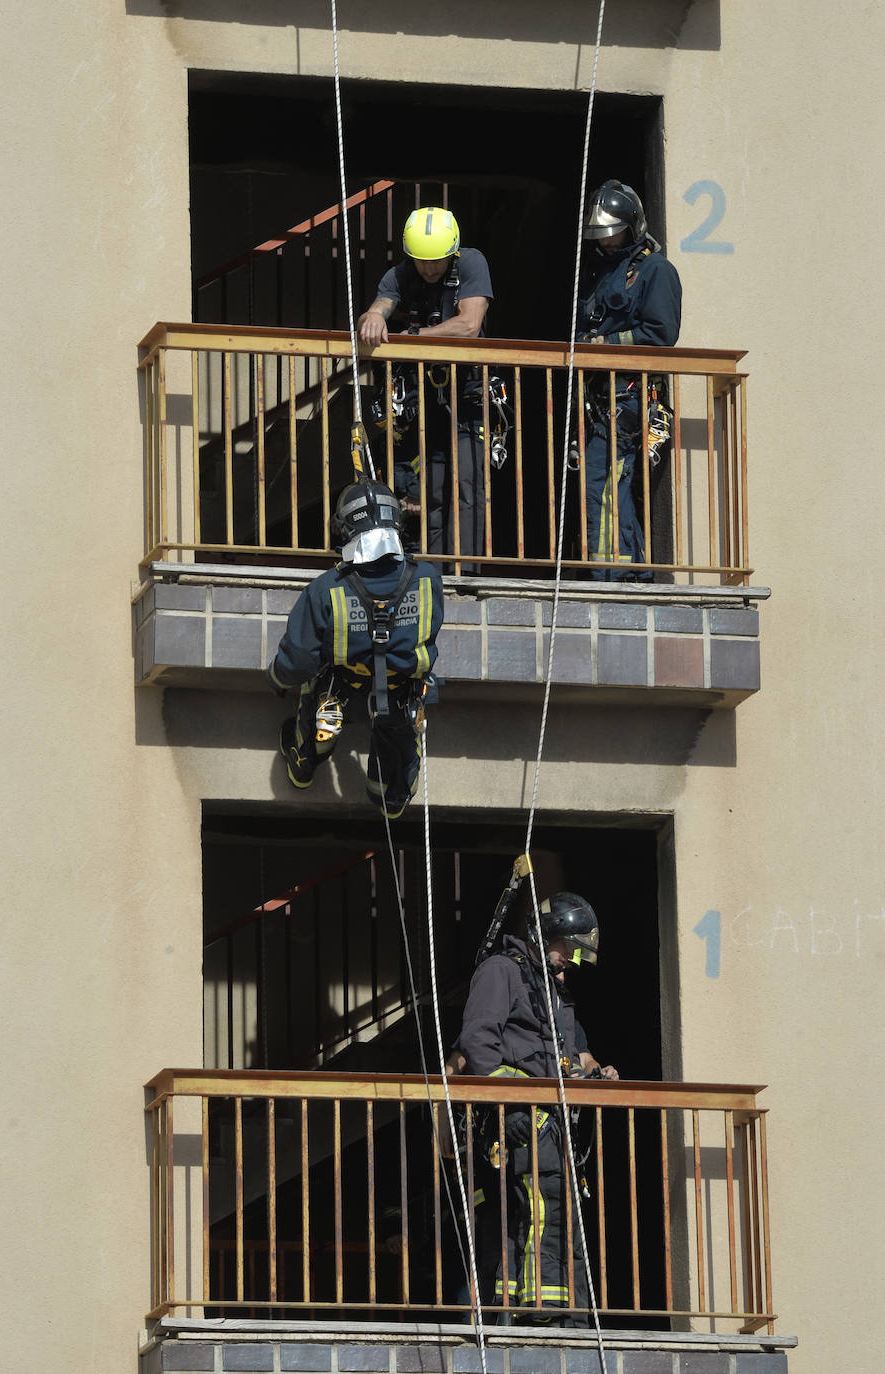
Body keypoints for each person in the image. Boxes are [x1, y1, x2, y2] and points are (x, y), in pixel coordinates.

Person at [453, 891, 618, 1325]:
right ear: (550, 935)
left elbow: (575, 1053)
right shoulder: (502, 972)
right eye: (570, 951)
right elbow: (478, 1045)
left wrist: (596, 1073)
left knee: (555, 1211)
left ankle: (561, 1313)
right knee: (539, 1210)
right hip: (518, 1121)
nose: (573, 962)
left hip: (551, 1123)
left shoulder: (552, 990)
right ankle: (540, 1313)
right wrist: (513, 1104)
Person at [266, 478, 443, 818]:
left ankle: (308, 757)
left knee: (314, 686)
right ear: (396, 521)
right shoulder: (428, 579)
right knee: (399, 748)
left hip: (345, 684)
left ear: (345, 528)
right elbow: (429, 635)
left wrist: (276, 679)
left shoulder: (325, 589)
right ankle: (389, 798)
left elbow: (300, 658)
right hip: (401, 688)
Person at [358, 207, 493, 564]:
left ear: (452, 253)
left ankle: (465, 574)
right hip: (428, 398)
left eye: (437, 261)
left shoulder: (471, 263)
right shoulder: (402, 274)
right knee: (431, 489)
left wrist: (415, 336)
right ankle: (433, 571)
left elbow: (469, 325)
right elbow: (382, 304)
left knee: (467, 486)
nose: (429, 269)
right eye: (422, 262)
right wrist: (372, 316)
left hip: (468, 395)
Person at [574, 179, 682, 580]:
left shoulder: (655, 270)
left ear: (631, 225)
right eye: (600, 234)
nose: (605, 241)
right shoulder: (602, 273)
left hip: (632, 399)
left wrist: (603, 342)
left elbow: (660, 335)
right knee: (606, 486)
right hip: (601, 400)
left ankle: (614, 578)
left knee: (604, 485)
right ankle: (626, 573)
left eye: (612, 232)